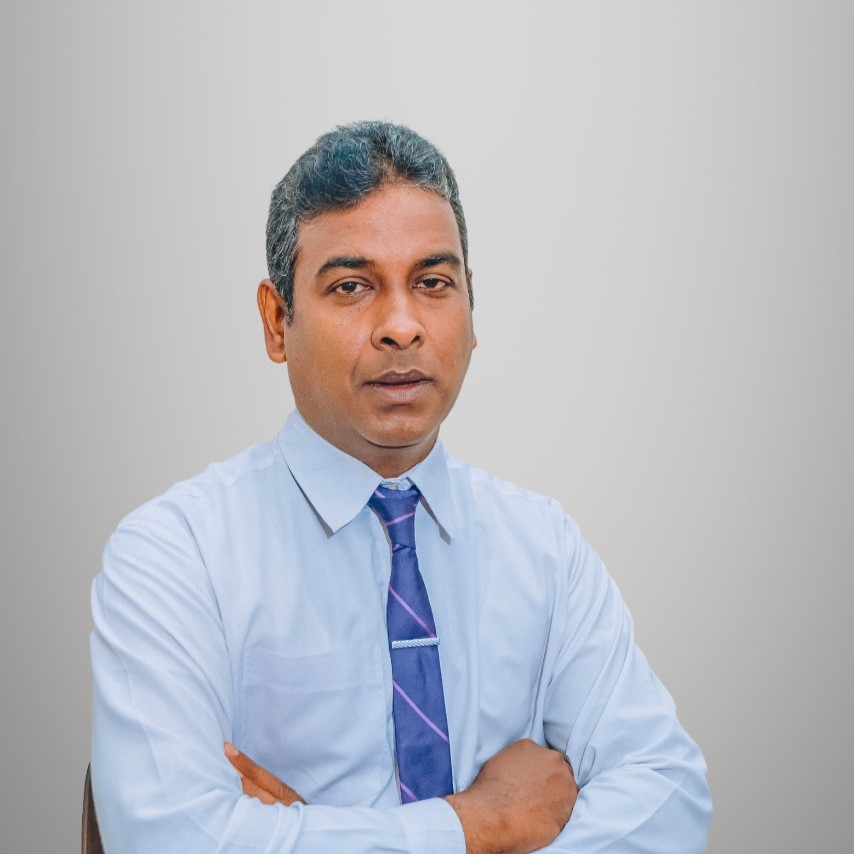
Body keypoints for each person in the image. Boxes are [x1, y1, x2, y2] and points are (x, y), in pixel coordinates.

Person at [90, 121, 712, 853]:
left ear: (471, 309)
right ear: (277, 321)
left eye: (433, 283)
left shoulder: (545, 548)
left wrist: (303, 836)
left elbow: (667, 795)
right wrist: (483, 824)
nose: (402, 326)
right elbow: (169, 838)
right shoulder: (175, 555)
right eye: (351, 286)